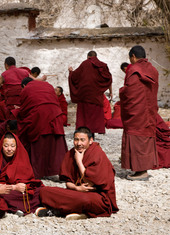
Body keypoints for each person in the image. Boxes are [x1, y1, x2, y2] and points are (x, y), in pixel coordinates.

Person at [39, 127, 118, 220]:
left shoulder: (98, 154)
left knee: (84, 200)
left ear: (90, 140)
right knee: (44, 191)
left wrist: (79, 161)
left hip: (97, 197)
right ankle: (76, 211)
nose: (79, 143)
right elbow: (68, 182)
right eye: (76, 140)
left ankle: (59, 210)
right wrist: (77, 188)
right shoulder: (71, 153)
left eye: (82, 140)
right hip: (75, 192)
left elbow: (90, 183)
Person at [13, 77, 68, 179]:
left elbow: (25, 110)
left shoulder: (26, 89)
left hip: (40, 116)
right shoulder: (47, 85)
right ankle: (60, 171)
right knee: (56, 143)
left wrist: (18, 110)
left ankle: (40, 171)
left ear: (24, 86)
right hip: (56, 114)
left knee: (40, 142)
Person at [120, 45, 159, 180]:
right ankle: (144, 169)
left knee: (135, 136)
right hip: (149, 111)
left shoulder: (134, 70)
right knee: (145, 137)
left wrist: (122, 91)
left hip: (136, 112)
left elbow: (130, 92)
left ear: (133, 56)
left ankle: (140, 171)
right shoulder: (153, 70)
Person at [0, 132, 44, 216]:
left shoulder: (22, 157)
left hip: (21, 191)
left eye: (13, 146)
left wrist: (24, 187)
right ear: (1, 146)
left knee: (40, 191)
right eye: (6, 146)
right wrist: (14, 187)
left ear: (17, 147)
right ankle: (29, 207)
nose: (9, 149)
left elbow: (29, 181)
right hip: (6, 190)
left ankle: (18, 207)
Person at [68, 51, 113, 135]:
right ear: (96, 56)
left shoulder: (85, 64)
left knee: (84, 118)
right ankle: (92, 135)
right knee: (94, 117)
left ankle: (85, 134)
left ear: (88, 57)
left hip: (84, 96)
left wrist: (71, 72)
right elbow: (109, 78)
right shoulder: (102, 65)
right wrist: (104, 90)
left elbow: (75, 77)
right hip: (96, 96)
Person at [0, 57, 30, 125]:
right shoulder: (25, 72)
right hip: (23, 102)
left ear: (6, 65)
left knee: (0, 110)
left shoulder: (4, 74)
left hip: (9, 103)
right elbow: (34, 80)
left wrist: (1, 82)